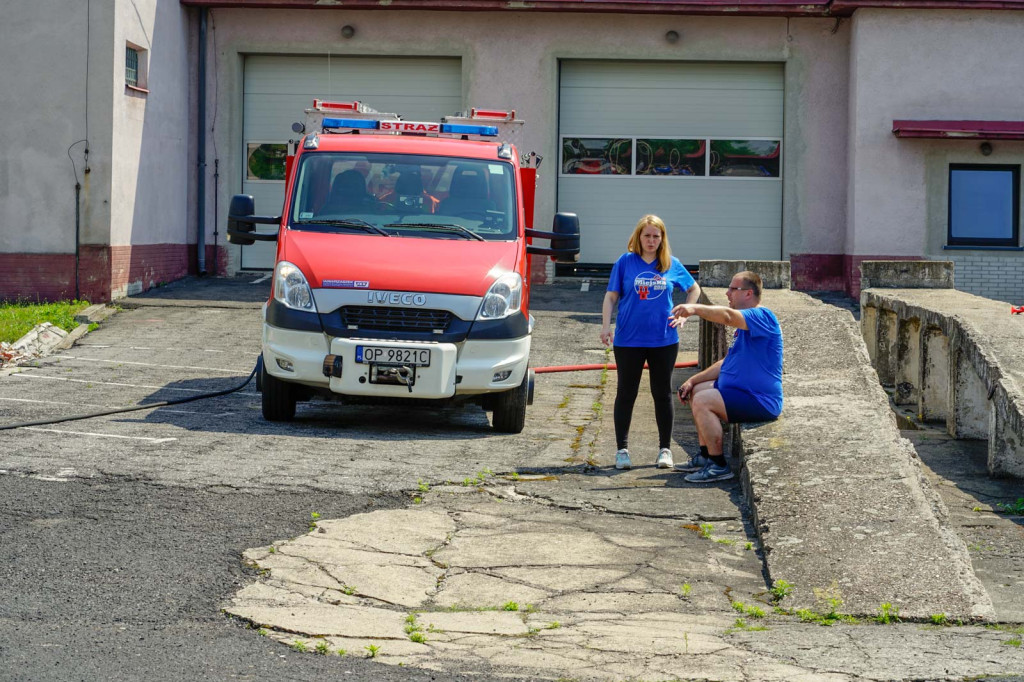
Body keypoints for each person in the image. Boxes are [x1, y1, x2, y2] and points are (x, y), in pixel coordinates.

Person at [601, 215, 701, 471]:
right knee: (626, 393)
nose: (651, 240)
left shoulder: (671, 264)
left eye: (656, 236)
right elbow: (611, 297)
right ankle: (622, 450)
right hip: (628, 340)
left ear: (662, 238)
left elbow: (694, 288)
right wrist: (605, 326)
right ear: (638, 236)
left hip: (664, 339)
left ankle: (664, 450)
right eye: (647, 235)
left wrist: (686, 313)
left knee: (661, 393)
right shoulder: (625, 262)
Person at [669, 271, 783, 483]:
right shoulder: (746, 327)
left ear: (748, 293)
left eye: (733, 289)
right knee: (698, 391)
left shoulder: (762, 317)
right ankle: (705, 456)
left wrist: (694, 308)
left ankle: (718, 465)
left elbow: (727, 317)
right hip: (742, 392)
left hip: (760, 400)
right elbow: (726, 363)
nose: (726, 293)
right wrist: (692, 380)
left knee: (704, 400)